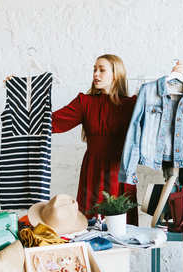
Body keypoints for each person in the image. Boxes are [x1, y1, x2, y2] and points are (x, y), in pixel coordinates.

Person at [52, 54, 138, 225]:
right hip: (93, 169)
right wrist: (24, 91)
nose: (96, 74)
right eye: (94, 70)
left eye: (102, 70)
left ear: (116, 74)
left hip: (120, 170)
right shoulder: (84, 102)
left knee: (120, 226)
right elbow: (51, 122)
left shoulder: (131, 104)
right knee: (90, 223)